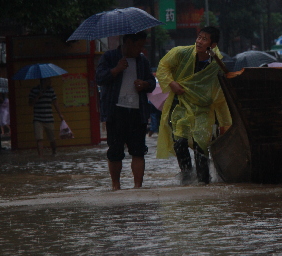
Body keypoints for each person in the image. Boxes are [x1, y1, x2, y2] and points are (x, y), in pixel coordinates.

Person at [155, 26, 232, 184]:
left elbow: (220, 95)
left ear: (213, 45)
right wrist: (171, 83)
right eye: (199, 37)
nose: (199, 41)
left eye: (204, 39)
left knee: (201, 144)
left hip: (203, 110)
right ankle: (187, 177)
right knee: (180, 142)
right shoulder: (181, 53)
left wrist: (225, 122)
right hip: (180, 105)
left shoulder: (216, 64)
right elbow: (163, 67)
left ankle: (203, 181)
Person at [96, 32, 156, 190]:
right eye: (138, 45)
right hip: (115, 112)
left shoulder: (142, 60)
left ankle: (138, 187)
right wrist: (116, 70)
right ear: (128, 42)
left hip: (137, 111)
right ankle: (116, 186)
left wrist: (145, 84)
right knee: (115, 150)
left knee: (138, 150)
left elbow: (151, 81)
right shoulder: (109, 57)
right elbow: (99, 78)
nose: (141, 49)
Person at [29, 77, 64, 156]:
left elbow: (55, 103)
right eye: (49, 80)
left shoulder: (51, 90)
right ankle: (40, 156)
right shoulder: (34, 90)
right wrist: (38, 95)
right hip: (37, 118)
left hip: (49, 118)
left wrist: (60, 114)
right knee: (39, 138)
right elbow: (30, 103)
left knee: (52, 139)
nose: (50, 81)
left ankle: (54, 153)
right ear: (44, 81)